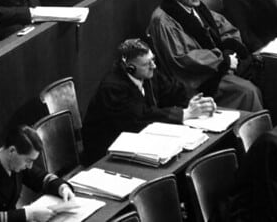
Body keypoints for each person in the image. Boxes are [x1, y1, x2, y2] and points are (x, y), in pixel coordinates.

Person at [82, 39, 216, 163]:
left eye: (153, 59)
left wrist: (196, 103)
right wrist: (184, 114)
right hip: (104, 152)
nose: (153, 66)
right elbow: (140, 117)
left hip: (139, 143)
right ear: (130, 68)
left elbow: (174, 89)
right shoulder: (113, 87)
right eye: (147, 64)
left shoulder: (148, 74)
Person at [147, 0, 263, 111]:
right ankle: (249, 131)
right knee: (248, 92)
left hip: (215, 66)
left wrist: (230, 50)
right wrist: (223, 61)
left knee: (264, 73)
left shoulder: (195, 7)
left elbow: (225, 27)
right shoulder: (163, 20)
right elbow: (182, 58)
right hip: (195, 79)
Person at [0, 125, 75, 222]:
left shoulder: (16, 163)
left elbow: (41, 178)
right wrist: (30, 214)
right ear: (12, 151)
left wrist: (62, 187)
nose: (30, 166)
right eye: (28, 160)